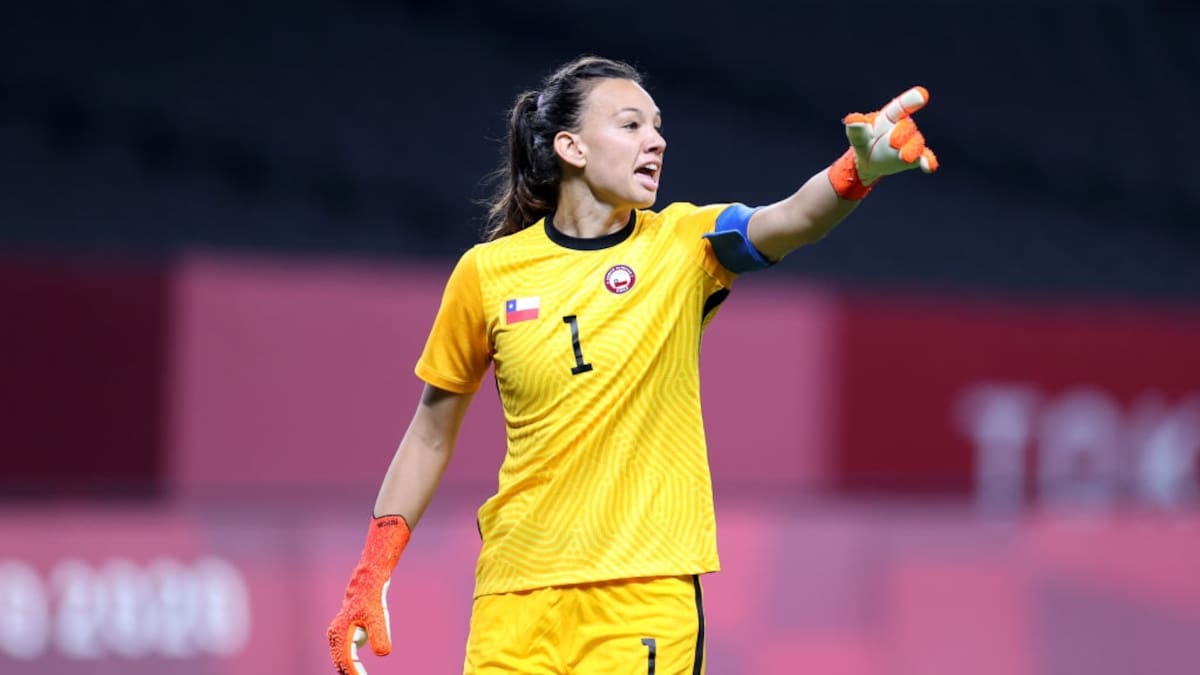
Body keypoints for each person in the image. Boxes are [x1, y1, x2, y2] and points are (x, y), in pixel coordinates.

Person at [327, 55, 937, 675]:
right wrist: (371, 571)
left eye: (658, 126)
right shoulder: (486, 274)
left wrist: (856, 172)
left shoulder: (687, 243)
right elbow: (431, 432)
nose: (657, 140)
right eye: (631, 125)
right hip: (515, 596)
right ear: (571, 147)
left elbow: (790, 219)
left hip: (642, 595)